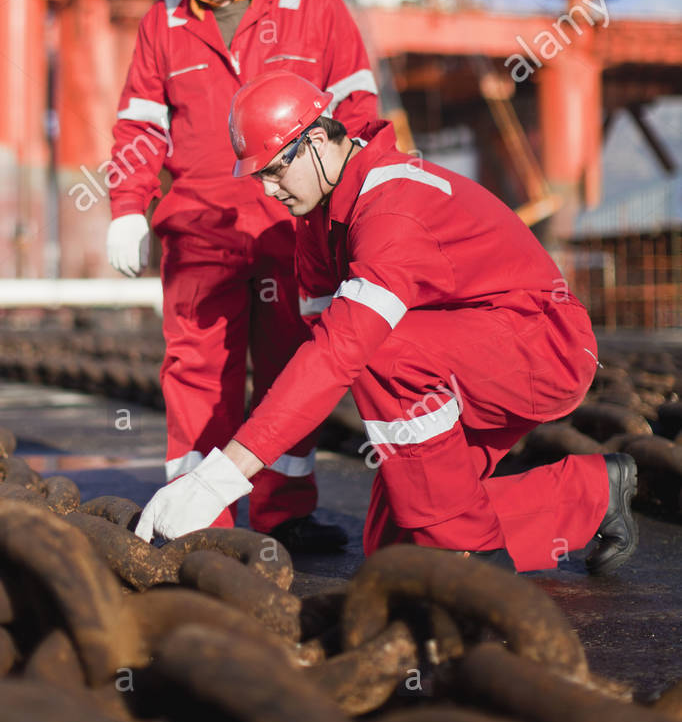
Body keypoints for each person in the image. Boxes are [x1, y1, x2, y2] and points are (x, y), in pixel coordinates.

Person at [135, 71, 639, 576]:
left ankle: (473, 555)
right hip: (459, 359)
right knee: (395, 550)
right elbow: (318, 349)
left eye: (274, 171)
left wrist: (220, 478)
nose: (268, 191)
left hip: (542, 348)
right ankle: (593, 494)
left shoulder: (393, 209)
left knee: (379, 350)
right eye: (258, 177)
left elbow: (342, 351)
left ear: (314, 141)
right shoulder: (315, 223)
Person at [106, 0, 379, 553]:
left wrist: (355, 211)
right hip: (200, 230)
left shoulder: (313, 5)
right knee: (197, 373)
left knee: (292, 368)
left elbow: (357, 117)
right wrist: (127, 207)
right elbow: (139, 127)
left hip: (293, 230)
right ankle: (202, 516)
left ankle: (284, 509)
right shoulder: (163, 25)